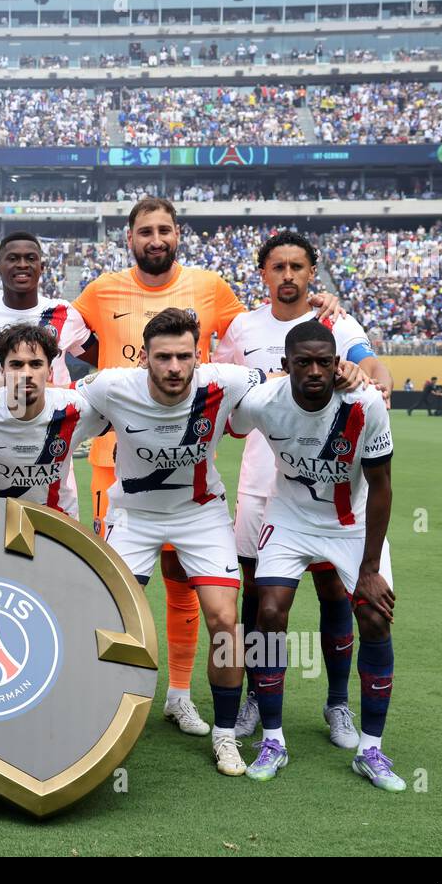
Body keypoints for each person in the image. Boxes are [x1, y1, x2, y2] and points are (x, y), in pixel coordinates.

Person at [71, 198, 342, 738]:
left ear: (178, 234)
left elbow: (272, 333)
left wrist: (321, 316)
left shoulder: (216, 296)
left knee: (265, 599)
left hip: (231, 480)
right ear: (129, 238)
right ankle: (100, 711)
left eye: (164, 229)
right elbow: (53, 340)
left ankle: (218, 704)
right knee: (116, 601)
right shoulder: (101, 292)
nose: (155, 238)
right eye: (144, 230)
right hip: (122, 471)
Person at [213, 230, 392, 747]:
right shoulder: (242, 327)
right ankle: (254, 695)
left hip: (331, 479)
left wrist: (365, 375)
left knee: (335, 590)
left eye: (297, 267)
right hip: (263, 481)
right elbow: (226, 391)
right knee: (259, 597)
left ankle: (337, 705)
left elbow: (375, 369)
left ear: (312, 272)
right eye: (278, 267)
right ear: (263, 274)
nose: (288, 276)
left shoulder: (336, 322)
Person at [76, 308, 266, 777]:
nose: (175, 368)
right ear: (144, 358)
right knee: (103, 616)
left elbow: (286, 380)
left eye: (185, 356)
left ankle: (224, 735)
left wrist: (349, 374)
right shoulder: (110, 386)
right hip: (133, 516)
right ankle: (93, 720)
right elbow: (52, 406)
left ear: (198, 357)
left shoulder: (225, 381)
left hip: (200, 514)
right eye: (164, 357)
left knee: (225, 619)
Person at [226, 320, 402, 791]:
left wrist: (368, 570)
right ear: (285, 366)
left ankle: (371, 750)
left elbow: (382, 488)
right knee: (268, 612)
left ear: (336, 362)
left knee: (375, 618)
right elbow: (226, 418)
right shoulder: (265, 401)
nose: (315, 371)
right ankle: (273, 739)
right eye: (303, 362)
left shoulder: (364, 404)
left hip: (353, 524)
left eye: (325, 361)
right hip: (289, 517)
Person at [0, 323, 108, 517]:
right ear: (1, 371)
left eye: (36, 364)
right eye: (16, 364)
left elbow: (124, 420)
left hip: (59, 524)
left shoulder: (75, 409)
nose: (27, 373)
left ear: (50, 371)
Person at [0, 232, 92, 384]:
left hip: (54, 407)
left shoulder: (62, 312)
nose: (22, 264)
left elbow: (101, 359)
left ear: (41, 267)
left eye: (30, 258)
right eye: (12, 258)